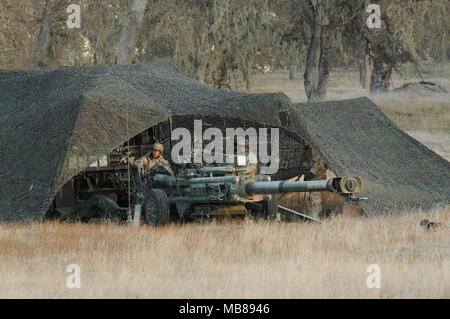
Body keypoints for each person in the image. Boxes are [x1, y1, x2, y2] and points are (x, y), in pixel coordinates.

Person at [301, 140, 327, 219]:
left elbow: (318, 164)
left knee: (315, 195)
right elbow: (305, 162)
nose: (304, 142)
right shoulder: (307, 150)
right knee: (312, 196)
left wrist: (310, 173)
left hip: (316, 176)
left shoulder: (315, 149)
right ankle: (315, 214)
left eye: (305, 140)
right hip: (311, 176)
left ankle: (317, 215)